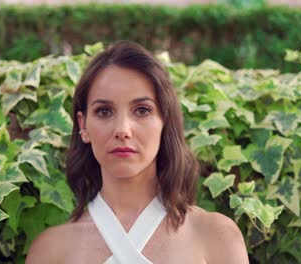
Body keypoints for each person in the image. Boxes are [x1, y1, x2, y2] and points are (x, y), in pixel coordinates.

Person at [26, 41, 248, 263]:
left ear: (165, 120)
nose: (122, 130)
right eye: (104, 111)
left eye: (142, 110)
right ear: (83, 125)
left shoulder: (216, 237)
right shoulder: (50, 251)